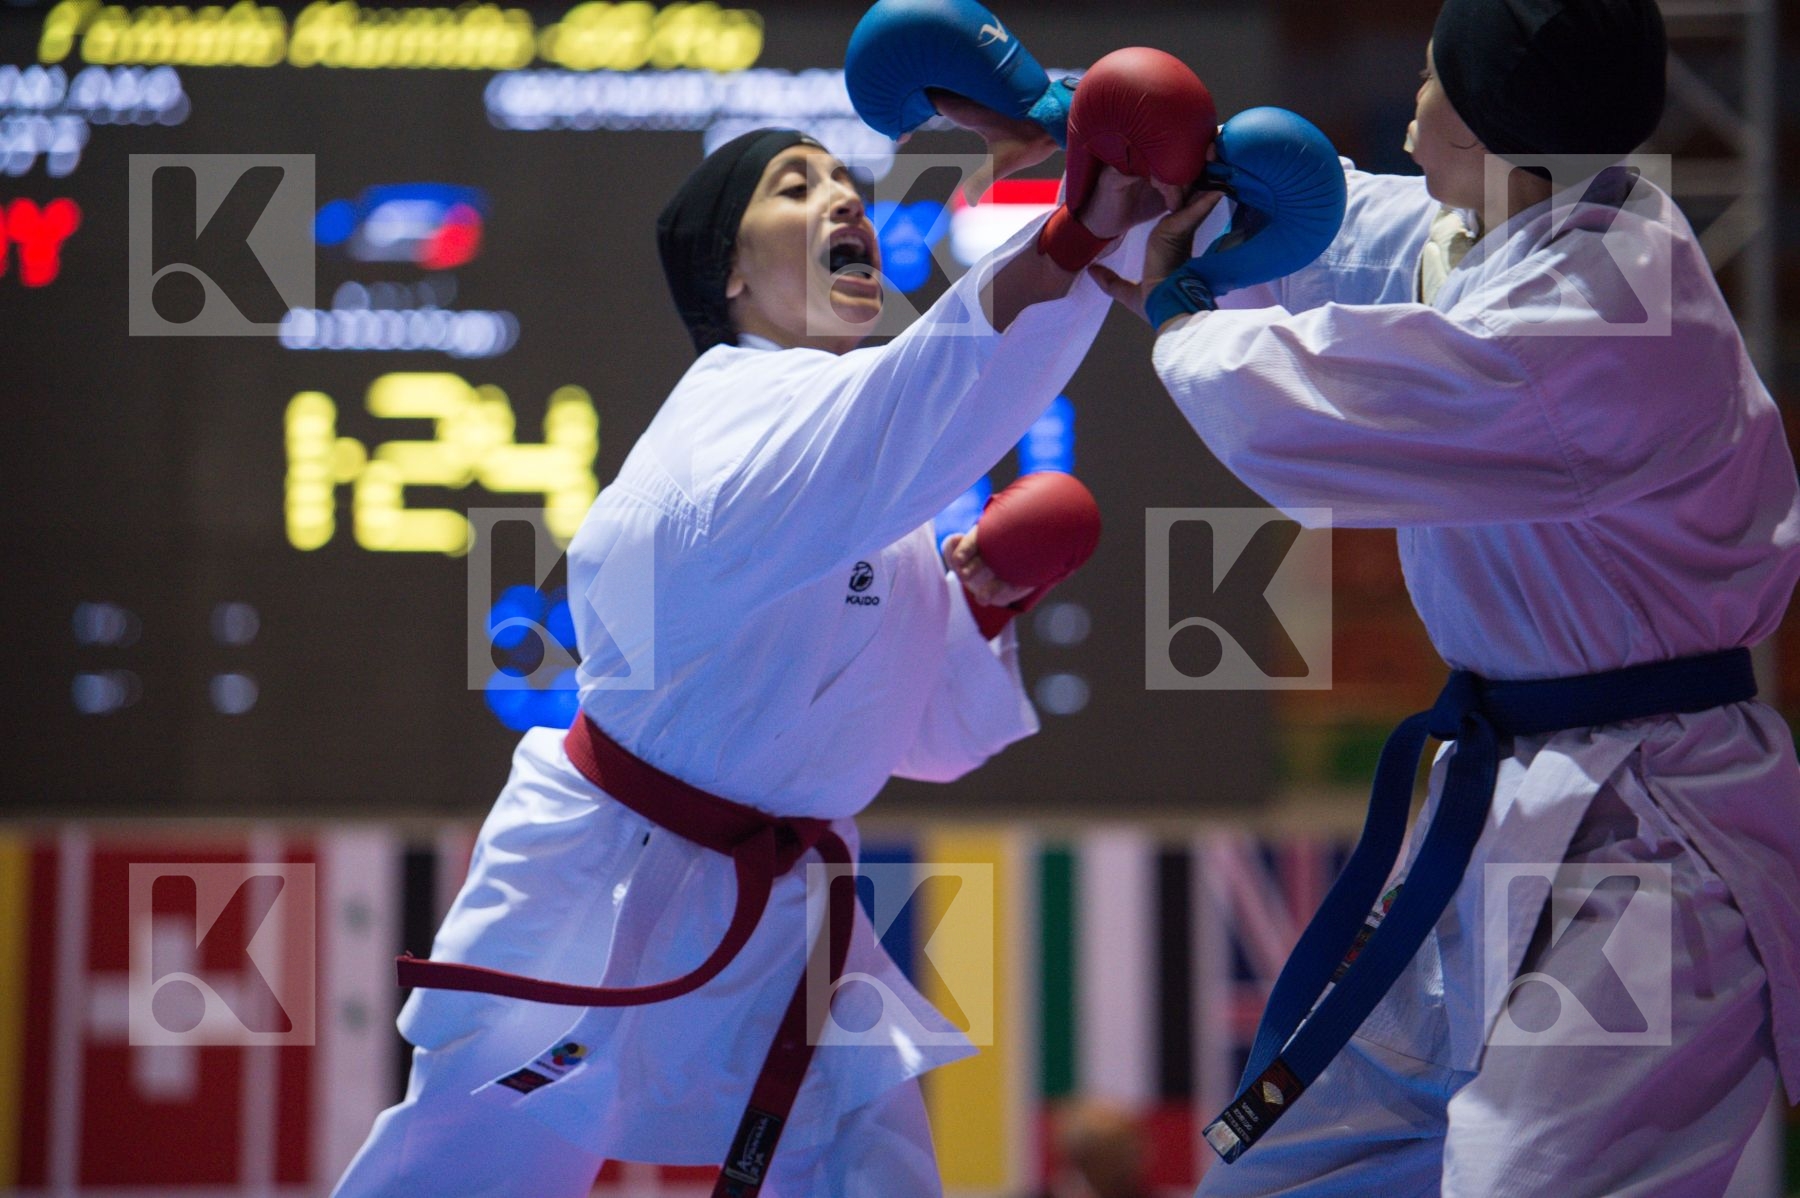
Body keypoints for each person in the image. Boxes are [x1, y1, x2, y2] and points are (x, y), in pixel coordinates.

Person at [330, 21, 1211, 1196]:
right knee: (467, 1172)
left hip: (789, 903)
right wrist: (1084, 230)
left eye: (846, 182)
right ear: (731, 277)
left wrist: (978, 606)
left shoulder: (861, 481)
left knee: (870, 1158)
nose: (841, 198)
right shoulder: (732, 427)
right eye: (796, 187)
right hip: (602, 880)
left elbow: (917, 742)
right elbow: (940, 381)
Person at [1091, 0, 1800, 1193]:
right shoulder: (1529, 231)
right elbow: (1349, 227)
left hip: (1652, 850)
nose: (1411, 103)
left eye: (1429, 76)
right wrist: (1098, 138)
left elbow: (1312, 413)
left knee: (1526, 1176)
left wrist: (1180, 316)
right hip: (1498, 809)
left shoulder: (1600, 315)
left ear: (1481, 121)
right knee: (1295, 1171)